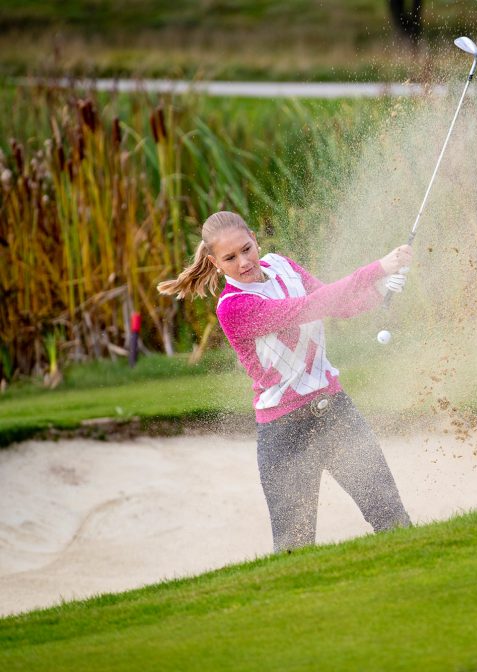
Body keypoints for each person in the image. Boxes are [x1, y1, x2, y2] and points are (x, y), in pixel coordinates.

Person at [158, 211, 412, 551]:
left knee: (392, 518)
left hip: (336, 413)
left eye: (246, 249)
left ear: (254, 238)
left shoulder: (282, 266)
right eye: (230, 258)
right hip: (284, 433)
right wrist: (378, 269)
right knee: (295, 548)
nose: (244, 262)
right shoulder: (233, 307)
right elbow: (307, 308)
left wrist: (382, 291)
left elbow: (338, 305)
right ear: (215, 263)